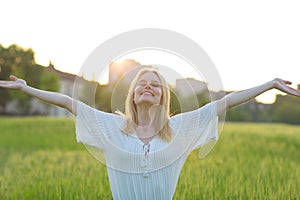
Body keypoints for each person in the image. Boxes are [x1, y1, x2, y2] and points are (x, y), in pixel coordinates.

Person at [0, 67, 299, 200]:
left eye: (155, 84)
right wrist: (27, 88)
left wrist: (270, 84)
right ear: (132, 95)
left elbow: (224, 102)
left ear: (162, 97)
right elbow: (68, 102)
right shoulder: (111, 127)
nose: (148, 86)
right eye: (142, 83)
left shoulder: (180, 129)